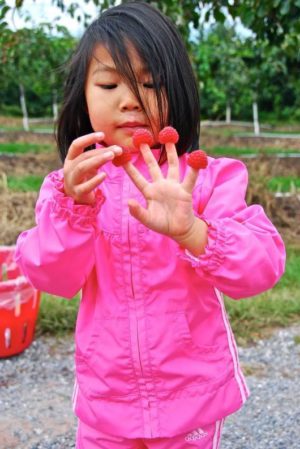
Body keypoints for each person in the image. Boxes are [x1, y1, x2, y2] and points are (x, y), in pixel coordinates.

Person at [15, 2, 286, 448]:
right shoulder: (70, 189)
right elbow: (52, 277)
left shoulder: (204, 177)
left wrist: (192, 231)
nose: (130, 100)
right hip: (107, 401)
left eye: (150, 83)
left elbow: (261, 266)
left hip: (191, 399)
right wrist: (75, 210)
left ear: (176, 90)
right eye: (109, 83)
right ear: (82, 94)